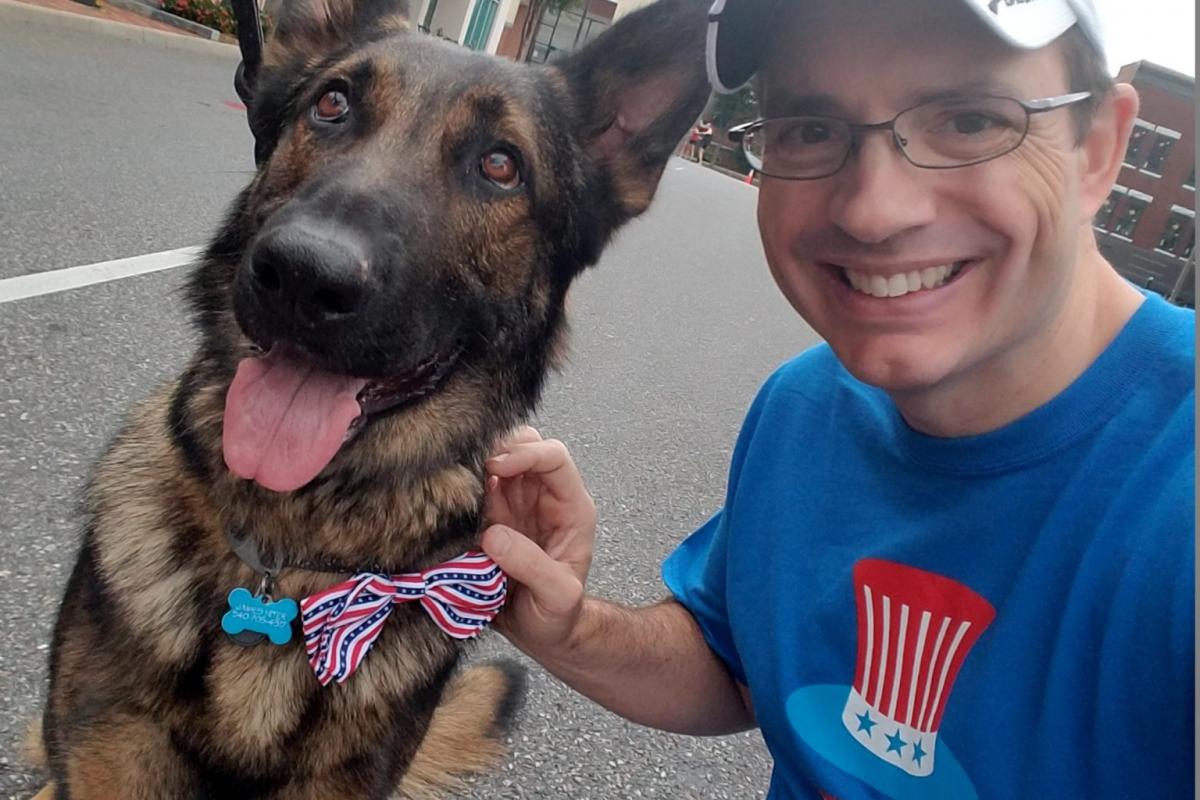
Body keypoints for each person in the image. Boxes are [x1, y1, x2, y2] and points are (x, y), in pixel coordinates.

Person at [481, 0, 1196, 797]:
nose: (873, 210)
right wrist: (570, 626)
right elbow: (742, 669)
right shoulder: (806, 405)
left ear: (1099, 148)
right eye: (811, 130)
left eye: (966, 120)